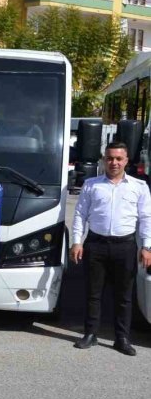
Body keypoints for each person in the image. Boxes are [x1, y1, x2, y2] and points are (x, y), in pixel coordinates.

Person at [70, 141, 151, 356]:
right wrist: (77, 241)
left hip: (125, 246)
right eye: (109, 158)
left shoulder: (139, 187)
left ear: (126, 161)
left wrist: (147, 247)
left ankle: (122, 338)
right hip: (96, 244)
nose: (114, 162)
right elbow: (80, 214)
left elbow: (146, 218)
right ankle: (90, 334)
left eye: (118, 158)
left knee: (124, 296)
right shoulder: (91, 185)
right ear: (104, 160)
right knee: (93, 293)